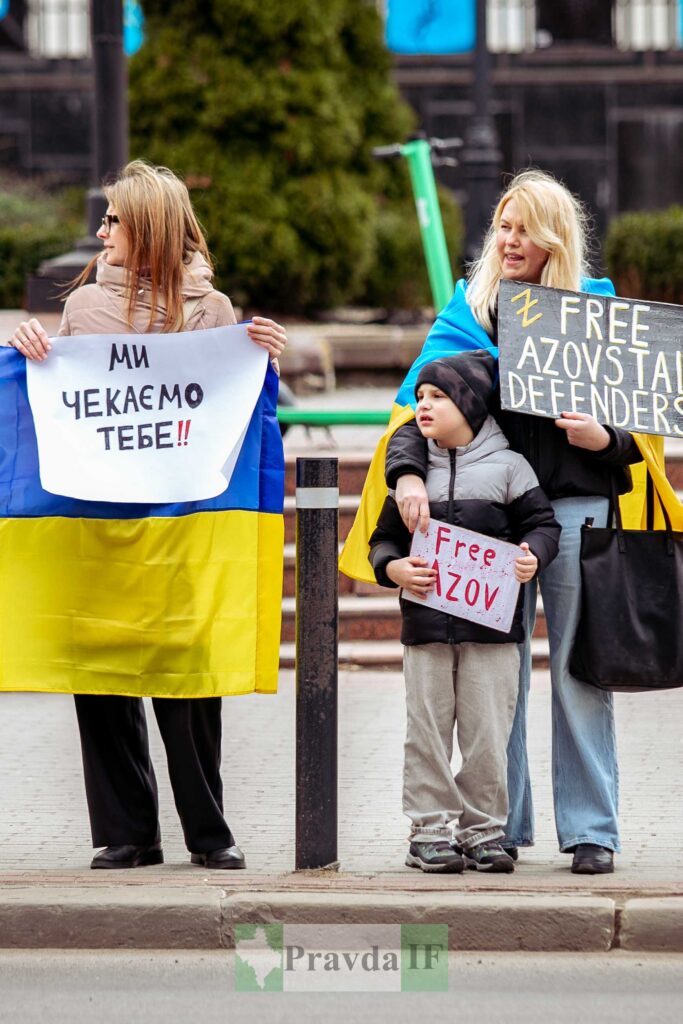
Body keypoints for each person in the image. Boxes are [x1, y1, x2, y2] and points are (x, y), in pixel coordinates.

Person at [9, 160, 287, 870]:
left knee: (185, 675)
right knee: (101, 669)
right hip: (98, 515)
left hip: (184, 519)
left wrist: (263, 364)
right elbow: (54, 401)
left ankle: (208, 833)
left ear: (151, 230)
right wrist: (24, 345)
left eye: (113, 221)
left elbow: (234, 410)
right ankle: (129, 834)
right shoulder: (83, 308)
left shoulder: (215, 311)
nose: (100, 232)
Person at [385, 169, 643, 875]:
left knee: (574, 671)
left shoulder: (594, 307)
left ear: (553, 237)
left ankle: (592, 830)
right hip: (487, 523)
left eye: (523, 227)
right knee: (497, 677)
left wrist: (603, 439)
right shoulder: (466, 311)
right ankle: (499, 827)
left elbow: (636, 433)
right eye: (501, 225)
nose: (508, 239)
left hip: (575, 508)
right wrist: (407, 472)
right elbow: (416, 410)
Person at [369, 350, 560, 873]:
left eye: (438, 397)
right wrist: (394, 571)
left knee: (486, 735)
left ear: (471, 406)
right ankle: (428, 832)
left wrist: (531, 556)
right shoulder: (409, 476)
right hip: (425, 630)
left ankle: (484, 832)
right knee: (426, 731)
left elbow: (544, 526)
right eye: (420, 397)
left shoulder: (509, 468)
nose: (423, 407)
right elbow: (382, 541)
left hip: (493, 634)